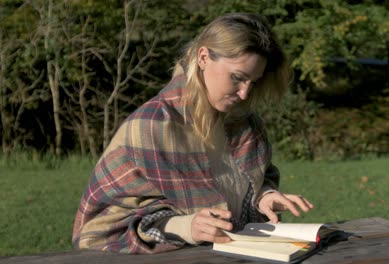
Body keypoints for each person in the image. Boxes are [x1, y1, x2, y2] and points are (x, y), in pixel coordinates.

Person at [72, 12, 313, 254]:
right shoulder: (149, 126)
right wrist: (188, 227)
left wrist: (264, 197)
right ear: (203, 57)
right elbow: (97, 231)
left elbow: (253, 181)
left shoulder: (247, 123)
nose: (244, 94)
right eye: (237, 78)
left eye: (253, 82)